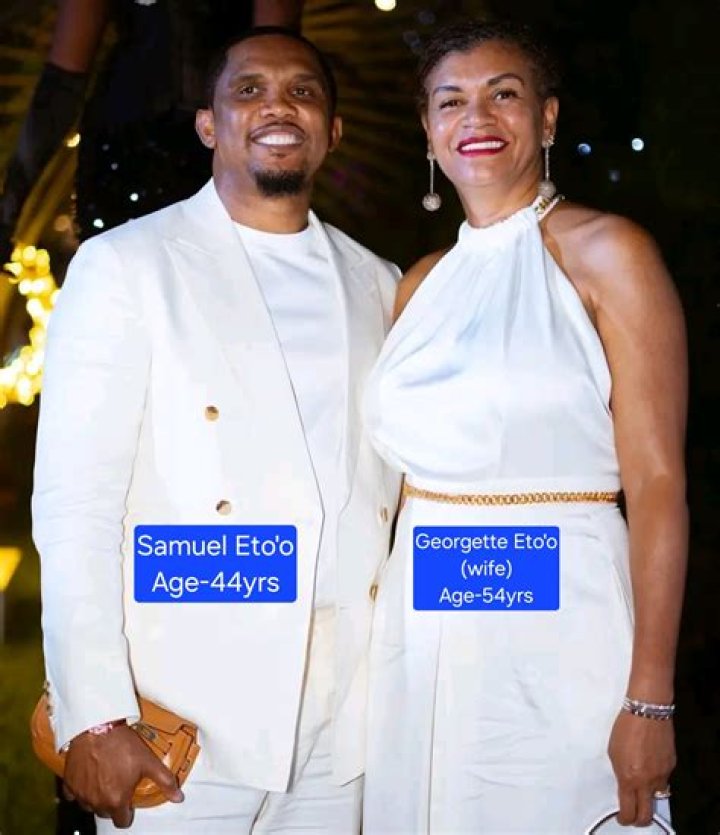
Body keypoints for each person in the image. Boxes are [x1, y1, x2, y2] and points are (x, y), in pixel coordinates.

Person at [32, 26, 399, 833]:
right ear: (207, 124)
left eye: (303, 92)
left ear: (334, 130)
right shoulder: (127, 265)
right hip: (183, 721)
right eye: (249, 89)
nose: (279, 106)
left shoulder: (380, 282)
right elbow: (75, 506)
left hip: (346, 724)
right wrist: (95, 713)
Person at [362, 20, 687, 834]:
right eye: (450, 101)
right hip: (424, 637)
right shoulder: (418, 285)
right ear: (428, 131)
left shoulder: (611, 252)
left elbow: (657, 486)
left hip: (565, 630)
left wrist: (650, 697)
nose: (476, 117)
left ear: (546, 118)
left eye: (501, 94)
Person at [0, 0, 305, 256]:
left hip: (215, 151)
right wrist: (13, 199)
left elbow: (274, 59)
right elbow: (63, 80)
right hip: (120, 153)